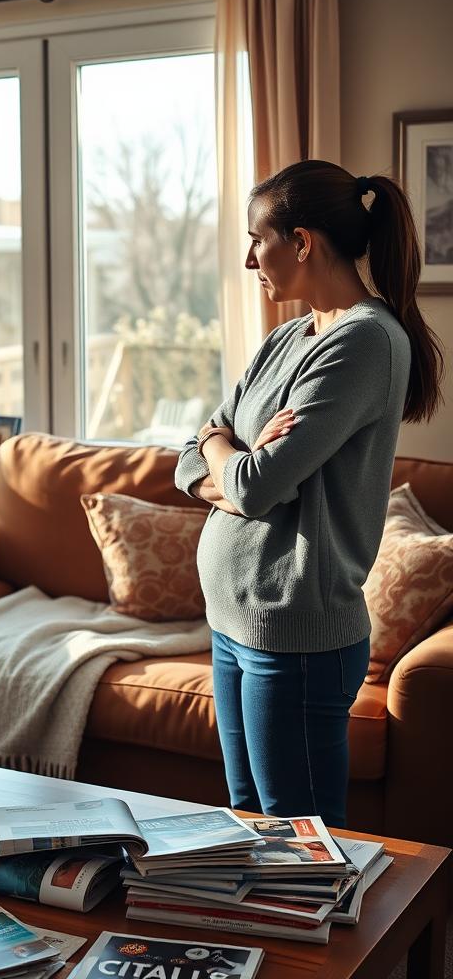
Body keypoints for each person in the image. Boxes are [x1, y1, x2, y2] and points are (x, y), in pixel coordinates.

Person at [175, 160, 444, 828]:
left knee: (302, 844)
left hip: (293, 635)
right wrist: (224, 449)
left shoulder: (365, 342)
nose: (247, 259)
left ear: (302, 241)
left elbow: (257, 486)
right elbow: (186, 460)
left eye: (256, 239)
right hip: (234, 621)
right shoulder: (286, 338)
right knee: (249, 825)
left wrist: (223, 446)